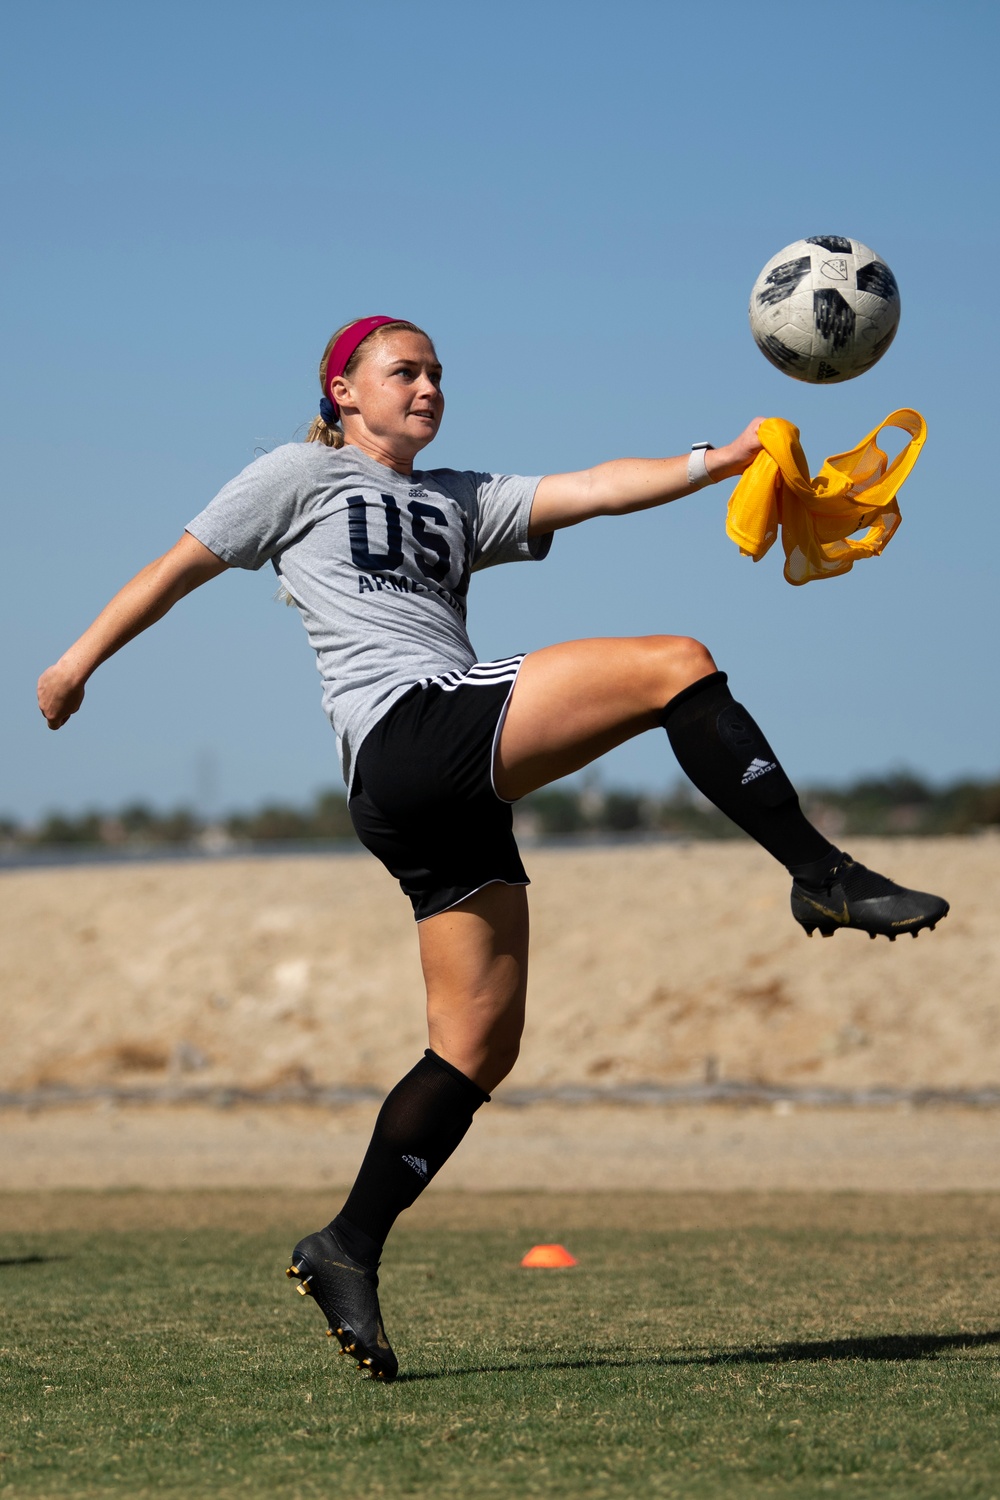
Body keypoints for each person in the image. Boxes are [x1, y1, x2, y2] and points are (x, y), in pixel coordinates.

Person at [37, 315, 948, 1382]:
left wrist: (723, 461)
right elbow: (176, 567)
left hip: (432, 795)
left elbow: (598, 487)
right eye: (401, 372)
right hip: (408, 730)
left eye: (435, 373)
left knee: (475, 1049)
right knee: (674, 663)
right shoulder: (295, 474)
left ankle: (345, 1244)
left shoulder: (461, 497)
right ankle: (822, 875)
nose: (425, 387)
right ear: (341, 391)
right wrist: (74, 664)